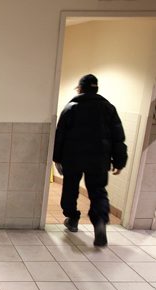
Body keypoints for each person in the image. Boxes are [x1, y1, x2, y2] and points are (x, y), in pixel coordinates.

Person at [53, 74, 128, 247]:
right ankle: (100, 223)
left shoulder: (71, 107)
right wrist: (119, 161)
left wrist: (57, 158)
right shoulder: (109, 108)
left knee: (70, 189)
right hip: (99, 160)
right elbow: (118, 137)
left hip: (73, 158)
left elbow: (60, 135)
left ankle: (72, 218)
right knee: (98, 192)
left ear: (80, 89)